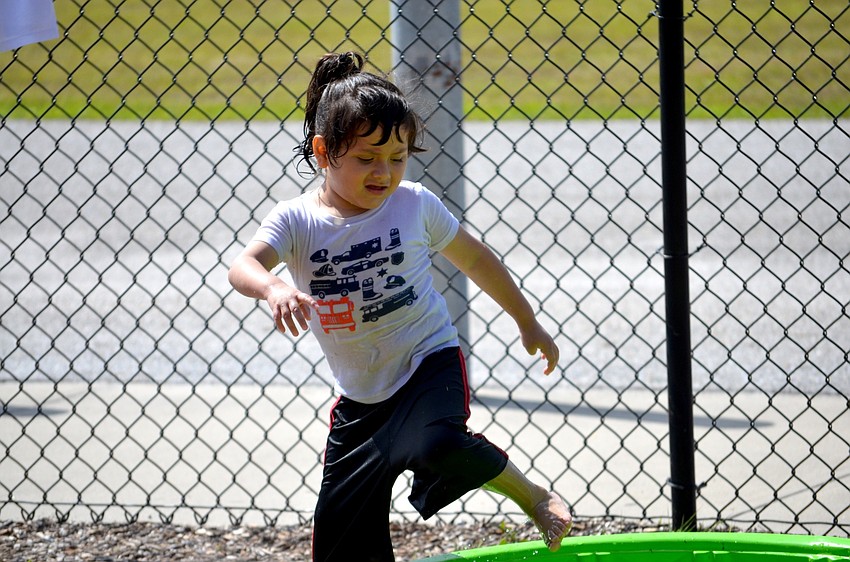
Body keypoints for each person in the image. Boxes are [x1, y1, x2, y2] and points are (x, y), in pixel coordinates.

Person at [228, 51, 571, 561]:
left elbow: (477, 260)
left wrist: (527, 322)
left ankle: (535, 496)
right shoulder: (298, 220)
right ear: (324, 153)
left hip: (427, 359)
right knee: (341, 538)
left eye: (398, 157)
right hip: (360, 397)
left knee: (437, 443)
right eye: (366, 158)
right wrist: (274, 289)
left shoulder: (414, 205)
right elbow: (243, 265)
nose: (383, 172)